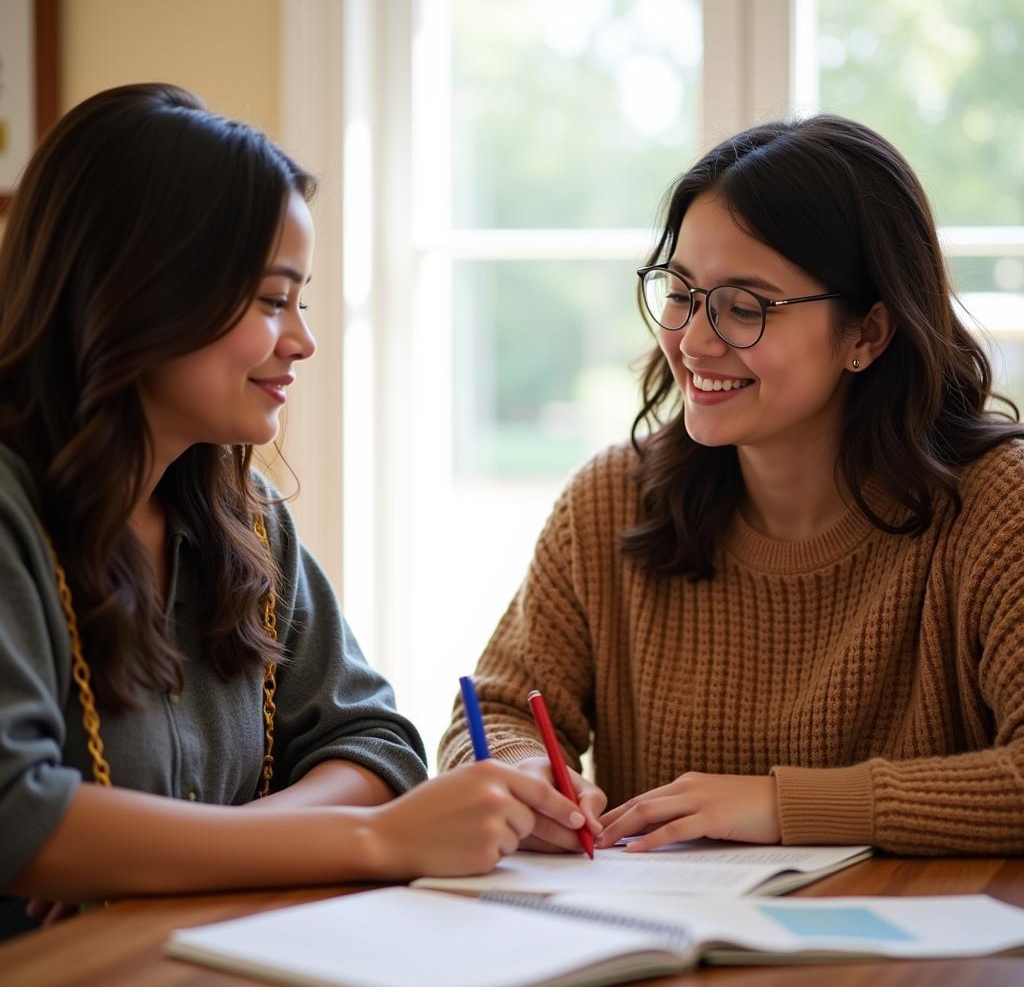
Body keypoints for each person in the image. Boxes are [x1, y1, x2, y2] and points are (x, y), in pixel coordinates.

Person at [0, 83, 585, 940]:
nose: (301, 340)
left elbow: (377, 742)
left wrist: (155, 850)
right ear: (140, 291)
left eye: (300, 301)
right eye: (274, 300)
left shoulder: (243, 515)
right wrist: (368, 840)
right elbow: (19, 820)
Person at [440, 114, 1024, 857]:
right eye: (680, 291)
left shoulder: (996, 508)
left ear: (867, 334)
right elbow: (490, 714)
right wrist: (525, 777)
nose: (693, 339)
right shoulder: (613, 499)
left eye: (745, 307)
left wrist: (786, 806)